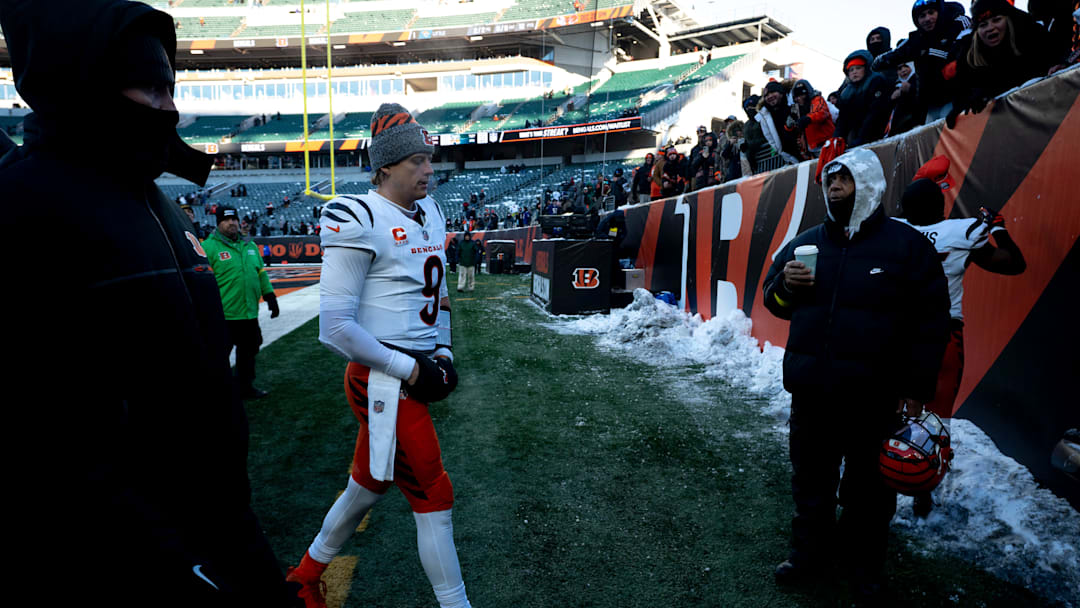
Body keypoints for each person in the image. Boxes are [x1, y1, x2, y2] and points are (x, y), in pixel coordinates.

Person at [0, 1, 299, 606]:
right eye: (151, 88)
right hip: (128, 561)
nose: (171, 108)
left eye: (172, 87)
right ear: (85, 86)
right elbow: (44, 435)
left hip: (223, 525)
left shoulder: (157, 201)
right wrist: (172, 561)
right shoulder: (23, 207)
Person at [287, 102, 470, 608]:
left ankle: (304, 575)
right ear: (385, 166)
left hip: (414, 365)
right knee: (434, 496)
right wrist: (412, 368)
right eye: (417, 161)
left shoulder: (430, 210)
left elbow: (441, 295)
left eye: (429, 158)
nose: (429, 170)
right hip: (380, 376)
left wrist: (444, 352)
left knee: (368, 484)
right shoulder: (357, 216)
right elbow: (335, 328)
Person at [762, 148, 950, 600]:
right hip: (812, 393)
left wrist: (917, 389)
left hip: (874, 397)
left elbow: (932, 322)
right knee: (810, 482)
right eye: (829, 181)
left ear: (868, 184)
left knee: (869, 493)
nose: (834, 187)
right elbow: (774, 302)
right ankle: (808, 556)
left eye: (844, 179)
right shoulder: (807, 243)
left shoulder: (906, 247)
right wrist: (786, 285)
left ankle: (864, 567)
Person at [893, 163, 1025, 516]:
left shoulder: (892, 232)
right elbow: (1014, 264)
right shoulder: (962, 232)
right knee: (936, 420)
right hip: (942, 333)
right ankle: (923, 491)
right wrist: (998, 229)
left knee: (887, 408)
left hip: (896, 332)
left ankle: (882, 478)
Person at [203, 205, 280, 400]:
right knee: (218, 357)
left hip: (248, 312)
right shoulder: (208, 247)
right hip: (224, 314)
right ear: (218, 223)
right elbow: (202, 281)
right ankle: (216, 391)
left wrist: (270, 296)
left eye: (234, 219)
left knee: (249, 352)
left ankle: (245, 387)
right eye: (226, 220)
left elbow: (261, 274)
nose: (231, 223)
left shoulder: (250, 246)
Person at [946, 0, 1058, 129]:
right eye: (983, 24)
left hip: (1044, 112)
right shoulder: (970, 52)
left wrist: (991, 89)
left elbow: (1038, 67)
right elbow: (962, 85)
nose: (990, 28)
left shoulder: (1030, 33)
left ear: (1007, 18)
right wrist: (960, 106)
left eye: (996, 20)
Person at [873, 0, 971, 124]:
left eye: (931, 13)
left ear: (940, 12)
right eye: (922, 16)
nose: (927, 19)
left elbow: (967, 47)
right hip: (930, 104)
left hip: (958, 98)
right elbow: (894, 54)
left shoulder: (958, 24)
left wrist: (936, 53)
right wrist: (879, 61)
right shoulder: (917, 40)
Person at [834, 51, 893, 146]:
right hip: (857, 135)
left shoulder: (876, 81)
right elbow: (843, 119)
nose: (854, 72)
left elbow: (875, 112)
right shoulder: (846, 93)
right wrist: (836, 140)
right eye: (851, 70)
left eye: (858, 68)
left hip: (878, 132)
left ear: (865, 69)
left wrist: (862, 138)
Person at [755, 81, 801, 165]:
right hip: (791, 157)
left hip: (807, 149)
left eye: (772, 92)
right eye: (766, 95)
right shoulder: (764, 116)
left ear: (781, 93)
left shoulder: (795, 100)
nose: (770, 96)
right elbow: (770, 138)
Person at [788, 79, 834, 157]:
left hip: (827, 142)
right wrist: (788, 125)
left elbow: (821, 112)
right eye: (797, 96)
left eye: (802, 95)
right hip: (812, 148)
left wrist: (808, 118)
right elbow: (794, 129)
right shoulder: (796, 110)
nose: (800, 98)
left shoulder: (818, 100)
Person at [885, 62, 926, 136]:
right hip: (897, 127)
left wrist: (910, 89)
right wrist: (892, 98)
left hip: (914, 124)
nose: (903, 70)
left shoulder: (918, 80)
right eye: (899, 68)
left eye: (906, 66)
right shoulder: (895, 85)